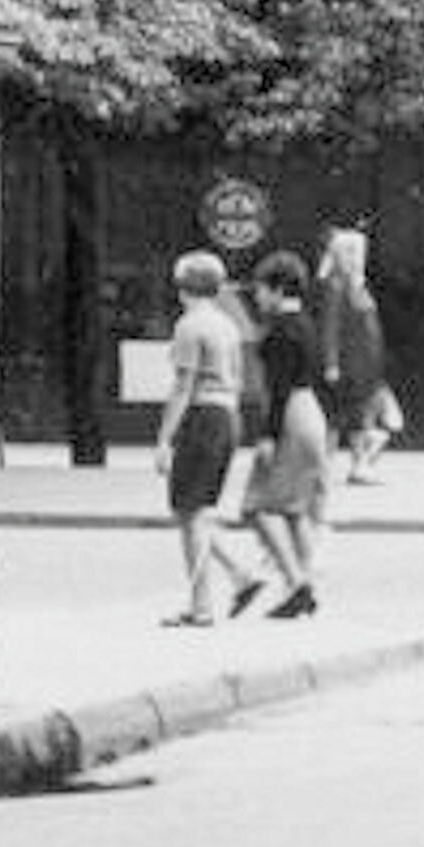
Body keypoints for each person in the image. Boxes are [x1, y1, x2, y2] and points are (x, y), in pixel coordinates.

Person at [153, 250, 254, 623]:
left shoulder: (189, 326)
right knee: (197, 510)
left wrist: (164, 439)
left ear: (183, 288)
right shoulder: (228, 325)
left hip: (201, 416)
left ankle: (202, 605)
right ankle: (239, 575)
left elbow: (183, 386)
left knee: (189, 511)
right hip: (227, 415)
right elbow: (239, 378)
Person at [236, 251, 331, 618]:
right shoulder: (307, 325)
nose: (258, 297)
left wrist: (268, 436)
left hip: (290, 415)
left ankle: (296, 583)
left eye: (261, 289)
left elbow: (278, 388)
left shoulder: (279, 331)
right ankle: (306, 582)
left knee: (259, 507)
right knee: (294, 509)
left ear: (277, 289)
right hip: (312, 412)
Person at [312, 225, 397, 484]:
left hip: (366, 364)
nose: (358, 257)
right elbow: (330, 326)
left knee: (363, 416)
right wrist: (331, 363)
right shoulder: (335, 285)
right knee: (340, 416)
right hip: (348, 363)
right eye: (351, 252)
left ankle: (357, 464)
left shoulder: (357, 284)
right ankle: (327, 467)